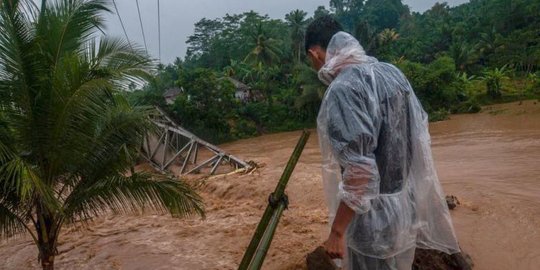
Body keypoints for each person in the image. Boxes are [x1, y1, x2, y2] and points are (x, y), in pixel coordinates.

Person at [305, 15, 460, 269]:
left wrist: (337, 231)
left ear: (315, 54)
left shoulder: (344, 89)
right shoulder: (391, 74)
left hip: (370, 218)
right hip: (403, 207)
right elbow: (419, 140)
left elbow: (359, 170)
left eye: (310, 60)